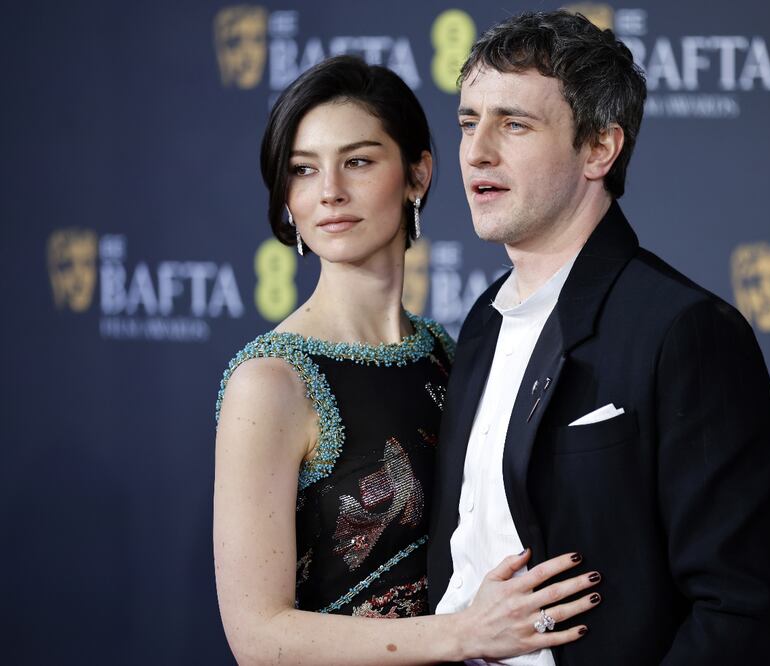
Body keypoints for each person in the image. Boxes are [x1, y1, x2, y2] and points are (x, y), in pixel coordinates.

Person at [429, 12, 770, 665]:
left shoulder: (685, 331)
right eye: (468, 122)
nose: (477, 151)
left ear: (599, 148)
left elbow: (745, 618)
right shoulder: (484, 319)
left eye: (513, 124)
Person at [213, 55, 601, 665]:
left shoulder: (454, 353)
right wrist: (464, 633)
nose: (330, 192)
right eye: (303, 170)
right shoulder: (269, 383)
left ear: (418, 174)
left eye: (359, 161)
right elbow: (259, 639)